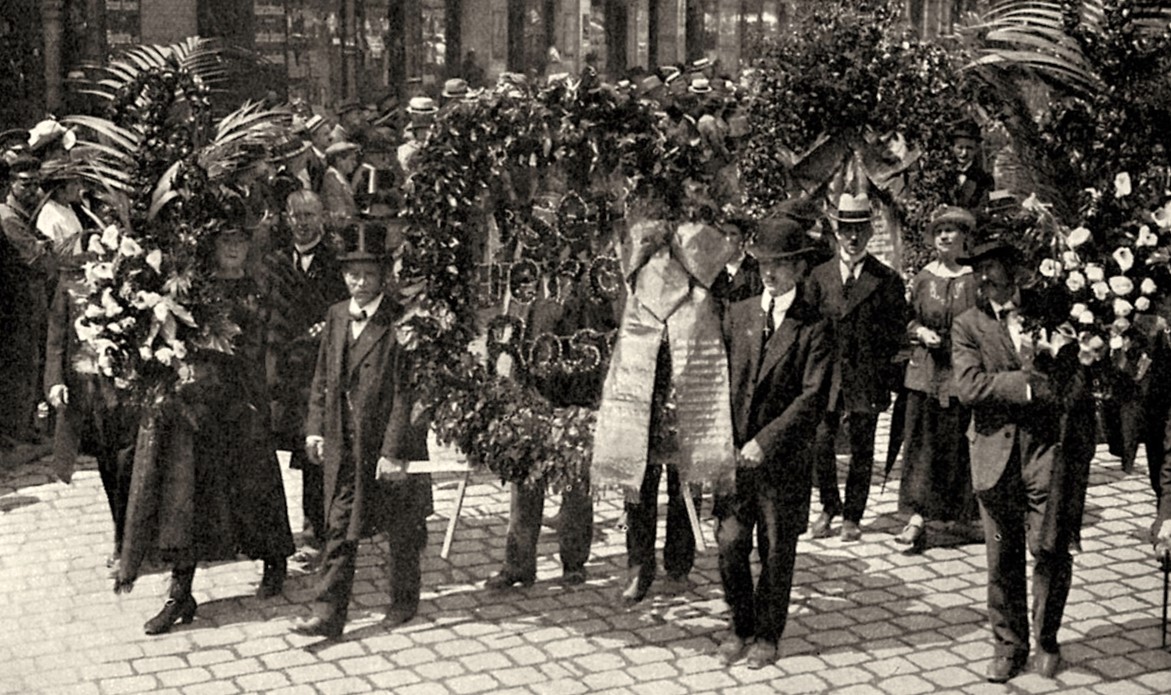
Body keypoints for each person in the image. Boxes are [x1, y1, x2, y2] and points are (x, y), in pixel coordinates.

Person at [119, 221, 295, 635]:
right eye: (226, 241)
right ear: (213, 246)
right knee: (188, 493)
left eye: (240, 241)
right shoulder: (196, 290)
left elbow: (270, 344)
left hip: (244, 400)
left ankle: (274, 560)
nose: (233, 249)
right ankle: (180, 592)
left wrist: (263, 395)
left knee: (256, 482)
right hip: (199, 404)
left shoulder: (258, 288)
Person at [951, 240, 1096, 682]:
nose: (983, 278)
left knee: (1050, 550)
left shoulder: (1050, 312)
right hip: (993, 457)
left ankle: (1047, 639)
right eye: (977, 270)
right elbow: (969, 387)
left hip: (1045, 454)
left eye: (992, 267)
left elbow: (1074, 375)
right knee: (1001, 557)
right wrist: (1027, 385)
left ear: (1014, 272)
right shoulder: (968, 324)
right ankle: (1008, 645)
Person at [291, 222, 432, 638]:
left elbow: (408, 393)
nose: (360, 282)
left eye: (369, 274)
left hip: (387, 442)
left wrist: (394, 451)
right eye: (352, 274)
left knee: (400, 527)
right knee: (338, 526)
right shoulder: (337, 314)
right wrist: (316, 429)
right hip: (345, 442)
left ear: (384, 275)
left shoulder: (400, 320)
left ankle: (404, 601)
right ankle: (327, 614)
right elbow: (323, 378)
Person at [716, 215, 833, 669]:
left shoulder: (814, 325)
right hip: (734, 458)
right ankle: (740, 625)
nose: (770, 272)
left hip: (782, 460)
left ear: (800, 268)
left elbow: (812, 398)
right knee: (729, 542)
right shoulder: (740, 313)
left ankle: (767, 634)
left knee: (776, 549)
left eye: (781, 264)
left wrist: (765, 442)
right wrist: (720, 438)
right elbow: (721, 380)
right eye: (764, 262)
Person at [808, 192, 908, 541]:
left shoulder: (886, 279)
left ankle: (852, 515)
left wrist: (886, 378)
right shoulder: (819, 277)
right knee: (820, 443)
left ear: (870, 232)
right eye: (846, 229)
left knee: (862, 448)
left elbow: (897, 334)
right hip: (826, 376)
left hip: (866, 377)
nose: (853, 237)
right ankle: (829, 505)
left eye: (860, 229)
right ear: (836, 232)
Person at [264, 190, 349, 569]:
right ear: (286, 218)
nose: (302, 222)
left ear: (323, 218)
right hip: (283, 373)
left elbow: (344, 309)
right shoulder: (275, 262)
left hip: (318, 370)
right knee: (276, 450)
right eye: (296, 215)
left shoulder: (335, 262)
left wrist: (325, 328)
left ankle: (316, 534)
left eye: (310, 215)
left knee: (316, 451)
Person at [896, 206, 980, 554]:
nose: (944, 236)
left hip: (962, 371)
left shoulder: (973, 279)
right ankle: (917, 516)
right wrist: (920, 332)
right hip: (926, 373)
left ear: (964, 237)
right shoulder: (923, 278)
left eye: (951, 230)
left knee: (958, 442)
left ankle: (960, 516)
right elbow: (907, 318)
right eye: (939, 231)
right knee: (922, 443)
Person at [0, 155, 53, 443]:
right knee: (21, 362)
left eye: (36, 184)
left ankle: (24, 424)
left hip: (30, 297)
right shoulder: (8, 217)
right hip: (17, 300)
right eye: (26, 184)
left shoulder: (25, 213)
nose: (33, 190)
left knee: (33, 359)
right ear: (11, 183)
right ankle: (15, 427)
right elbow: (36, 257)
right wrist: (44, 249)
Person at [945, 119, 993, 211]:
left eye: (969, 148)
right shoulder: (944, 175)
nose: (964, 153)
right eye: (960, 148)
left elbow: (982, 209)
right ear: (952, 148)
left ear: (976, 149)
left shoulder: (984, 179)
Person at [321, 141, 360, 223]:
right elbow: (338, 211)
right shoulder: (332, 179)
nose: (355, 163)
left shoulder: (341, 178)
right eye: (352, 159)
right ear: (339, 161)